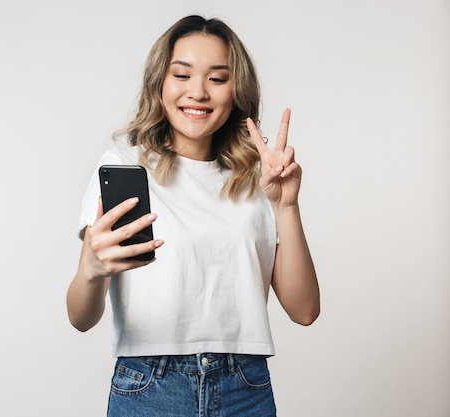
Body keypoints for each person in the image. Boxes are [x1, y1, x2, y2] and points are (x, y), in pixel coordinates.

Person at [66, 14, 320, 417]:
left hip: (245, 388)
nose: (198, 92)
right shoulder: (125, 166)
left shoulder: (259, 177)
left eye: (217, 79)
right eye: (181, 75)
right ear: (159, 84)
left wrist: (286, 206)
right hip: (150, 386)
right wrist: (92, 270)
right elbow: (80, 317)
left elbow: (304, 311)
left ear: (237, 91)